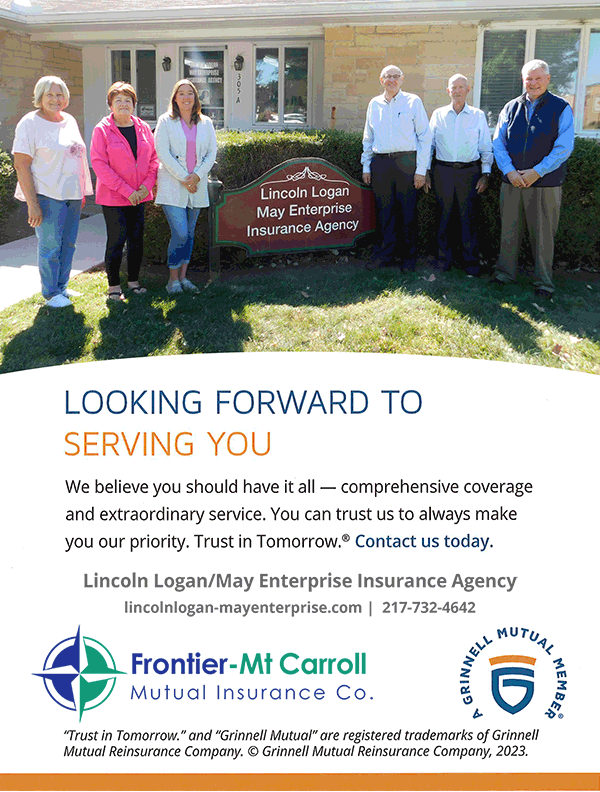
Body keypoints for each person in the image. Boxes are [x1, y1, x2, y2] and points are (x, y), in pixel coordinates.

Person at [492, 59, 574, 298]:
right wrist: (509, 171)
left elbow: (564, 146)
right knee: (509, 232)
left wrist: (537, 171)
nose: (533, 83)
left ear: (548, 79)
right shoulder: (510, 107)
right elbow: (498, 142)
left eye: (538, 78)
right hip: (512, 181)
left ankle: (544, 283)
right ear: (523, 80)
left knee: (543, 236)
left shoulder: (561, 107)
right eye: (529, 78)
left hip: (545, 183)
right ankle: (504, 274)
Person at [12, 76, 92, 308]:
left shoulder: (69, 120)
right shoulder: (29, 123)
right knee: (50, 246)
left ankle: (62, 287)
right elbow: (21, 165)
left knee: (68, 245)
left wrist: (80, 191)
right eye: (50, 95)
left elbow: (76, 159)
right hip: (47, 196)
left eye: (59, 95)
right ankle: (50, 293)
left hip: (71, 195)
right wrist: (32, 204)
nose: (55, 99)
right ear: (40, 97)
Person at [90, 82, 158, 301]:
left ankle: (134, 281)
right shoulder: (102, 130)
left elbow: (154, 160)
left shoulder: (143, 127)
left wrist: (146, 186)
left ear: (134, 104)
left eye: (128, 100)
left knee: (137, 240)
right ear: (110, 104)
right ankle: (113, 286)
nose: (123, 104)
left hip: (140, 195)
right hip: (114, 197)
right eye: (118, 100)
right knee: (117, 240)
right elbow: (99, 164)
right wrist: (127, 190)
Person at [361, 65, 432, 269]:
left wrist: (421, 171)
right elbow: (368, 137)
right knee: (384, 211)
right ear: (381, 80)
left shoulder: (413, 101)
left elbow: (425, 137)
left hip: (406, 162)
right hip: (381, 163)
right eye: (387, 76)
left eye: (395, 76)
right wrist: (366, 166)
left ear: (402, 79)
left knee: (407, 211)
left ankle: (408, 258)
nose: (391, 80)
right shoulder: (374, 104)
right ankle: (384, 256)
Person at [154, 79, 218, 294]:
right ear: (175, 98)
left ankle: (183, 278)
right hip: (173, 184)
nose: (186, 97)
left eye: (189, 93)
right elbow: (162, 153)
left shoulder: (206, 123)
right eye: (181, 93)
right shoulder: (165, 121)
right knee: (180, 233)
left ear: (195, 97)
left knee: (189, 234)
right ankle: (172, 280)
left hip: (197, 185)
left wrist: (197, 176)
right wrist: (185, 178)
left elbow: (211, 153)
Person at [425, 74, 493, 275]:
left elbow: (485, 147)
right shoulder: (438, 114)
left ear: (468, 90)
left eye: (461, 87)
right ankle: (443, 261)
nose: (457, 91)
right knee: (443, 217)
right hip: (443, 171)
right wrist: (426, 171)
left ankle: (470, 263)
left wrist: (486, 174)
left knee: (468, 217)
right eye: (453, 87)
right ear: (448, 91)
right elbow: (429, 146)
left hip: (469, 172)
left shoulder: (478, 115)